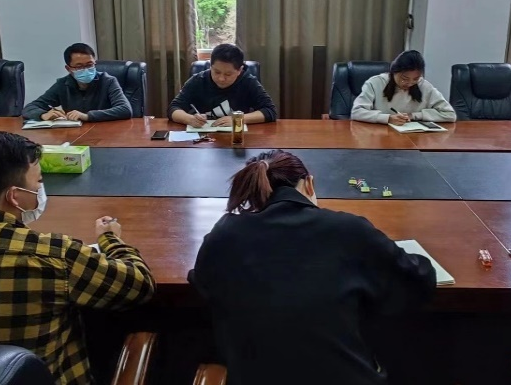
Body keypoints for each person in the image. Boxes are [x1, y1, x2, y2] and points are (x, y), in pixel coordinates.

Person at [0, 130, 155, 385]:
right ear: (15, 196)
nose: (40, 189)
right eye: (39, 181)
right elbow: (139, 285)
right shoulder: (54, 255)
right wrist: (110, 239)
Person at [189, 150, 435, 385]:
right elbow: (418, 279)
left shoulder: (224, 235)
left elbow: (202, 280)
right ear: (309, 184)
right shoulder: (349, 230)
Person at [169, 43, 277, 127]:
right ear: (210, 66)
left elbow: (270, 111)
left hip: (237, 137)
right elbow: (173, 108)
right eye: (216, 72)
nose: (221, 78)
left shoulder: (248, 81)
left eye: (228, 74)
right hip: (204, 139)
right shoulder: (198, 80)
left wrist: (238, 119)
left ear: (239, 70)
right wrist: (189, 119)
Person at [22, 43, 132, 122]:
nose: (86, 69)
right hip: (74, 135)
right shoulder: (62, 85)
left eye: (89, 65)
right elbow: (29, 108)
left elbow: (125, 109)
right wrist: (43, 115)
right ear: (68, 69)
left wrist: (87, 116)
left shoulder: (108, 81)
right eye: (79, 66)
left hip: (106, 133)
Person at [351, 50, 456, 125]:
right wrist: (387, 118)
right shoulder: (375, 83)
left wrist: (414, 115)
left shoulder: (424, 86)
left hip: (414, 139)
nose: (410, 83)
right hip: (380, 137)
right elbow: (356, 112)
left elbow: (450, 115)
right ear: (394, 71)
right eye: (404, 78)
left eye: (415, 79)